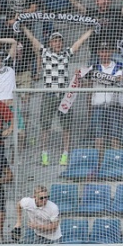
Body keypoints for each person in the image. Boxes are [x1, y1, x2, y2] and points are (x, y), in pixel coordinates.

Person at [22, 26, 94, 166]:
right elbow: (33, 40)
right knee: (45, 126)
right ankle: (44, 154)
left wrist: (90, 30)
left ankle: (65, 154)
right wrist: (24, 27)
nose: (57, 43)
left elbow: (79, 43)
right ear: (50, 43)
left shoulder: (66, 54)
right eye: (55, 41)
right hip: (49, 94)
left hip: (63, 95)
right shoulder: (45, 53)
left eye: (59, 41)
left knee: (66, 126)